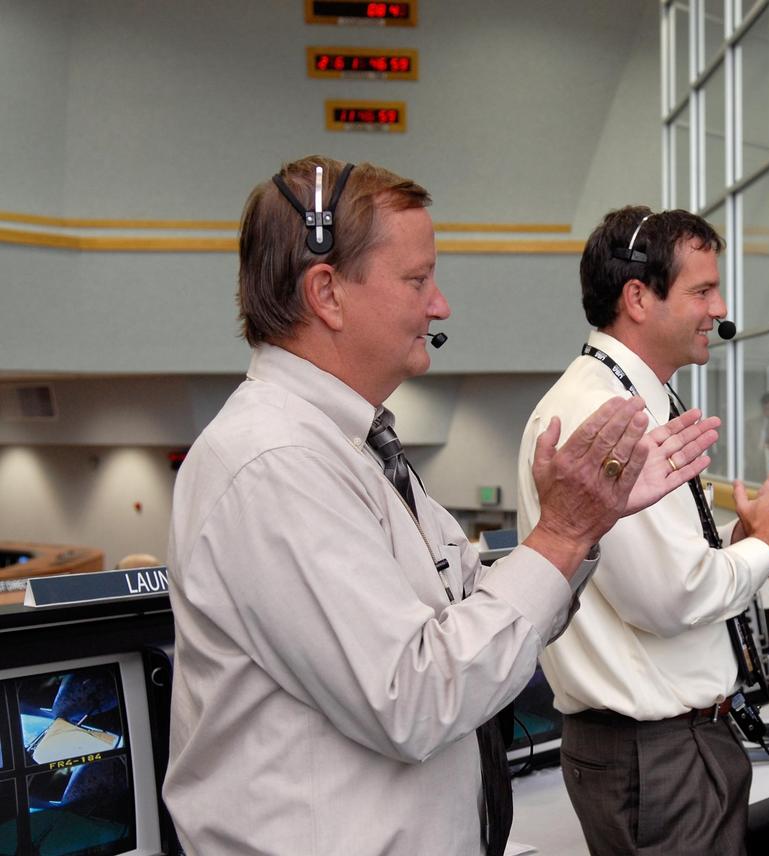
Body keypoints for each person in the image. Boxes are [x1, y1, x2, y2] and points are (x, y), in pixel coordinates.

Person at [163, 158, 720, 856]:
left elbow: (464, 616)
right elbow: (414, 699)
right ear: (327, 294)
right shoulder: (274, 464)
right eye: (417, 280)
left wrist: (581, 531)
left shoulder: (357, 447)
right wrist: (561, 535)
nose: (440, 305)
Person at [516, 206, 769, 856]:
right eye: (702, 290)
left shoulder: (635, 400)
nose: (718, 307)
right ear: (638, 297)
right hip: (657, 754)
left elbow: (660, 574)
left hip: (674, 746)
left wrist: (742, 539)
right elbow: (671, 600)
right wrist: (768, 543)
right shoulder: (607, 417)